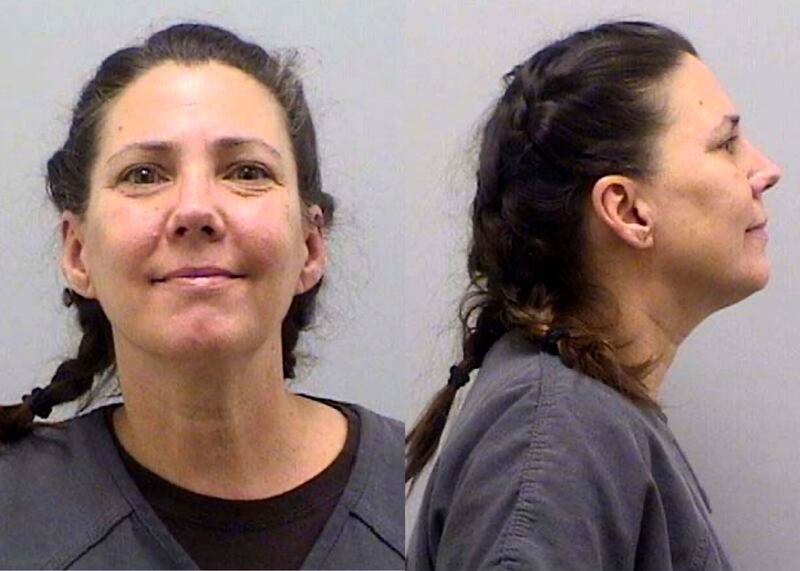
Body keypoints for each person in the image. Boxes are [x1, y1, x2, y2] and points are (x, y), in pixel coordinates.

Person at [0, 23, 403, 570]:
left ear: (310, 247)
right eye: (144, 174)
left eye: (246, 171)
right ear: (78, 252)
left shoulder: (408, 487)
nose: (195, 210)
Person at [407, 21, 780, 571]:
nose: (766, 170)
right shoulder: (557, 434)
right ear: (628, 211)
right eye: (726, 144)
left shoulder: (575, 421)